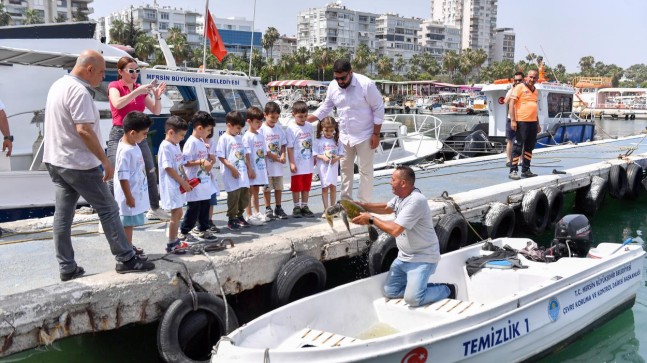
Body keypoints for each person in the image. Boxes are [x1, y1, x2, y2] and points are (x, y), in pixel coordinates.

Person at [43, 49, 154, 280]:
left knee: (63, 216)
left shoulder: (58, 85)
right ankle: (125, 258)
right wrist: (104, 161)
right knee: (108, 208)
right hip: (78, 163)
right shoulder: (79, 92)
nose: (103, 77)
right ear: (89, 69)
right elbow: (83, 130)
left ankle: (67, 266)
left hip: (56, 160)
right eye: (102, 71)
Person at [351, 165, 454, 307]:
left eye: (392, 179)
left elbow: (395, 230)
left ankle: (447, 289)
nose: (389, 182)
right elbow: (386, 208)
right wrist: (362, 206)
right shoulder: (400, 198)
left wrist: (371, 219)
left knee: (413, 300)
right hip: (404, 257)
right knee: (391, 292)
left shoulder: (416, 200)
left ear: (403, 183)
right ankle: (419, 289)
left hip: (423, 258)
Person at [308, 59, 384, 203]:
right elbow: (326, 107)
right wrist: (306, 120)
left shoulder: (366, 84)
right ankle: (346, 202)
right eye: (337, 78)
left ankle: (364, 203)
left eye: (343, 78)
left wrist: (376, 134)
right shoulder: (332, 86)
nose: (340, 81)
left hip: (366, 134)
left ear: (351, 72)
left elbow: (378, 109)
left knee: (365, 171)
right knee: (345, 170)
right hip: (344, 136)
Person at [107, 56, 169, 221]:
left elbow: (155, 111)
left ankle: (154, 207)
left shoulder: (139, 89)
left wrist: (156, 96)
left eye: (137, 70)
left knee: (149, 169)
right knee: (115, 173)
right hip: (120, 133)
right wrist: (136, 91)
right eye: (131, 70)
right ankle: (109, 214)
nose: (135, 74)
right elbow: (117, 103)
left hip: (140, 135)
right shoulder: (115, 86)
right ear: (120, 72)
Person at [113, 112, 153, 259]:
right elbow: (123, 177)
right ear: (132, 133)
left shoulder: (133, 144)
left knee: (130, 223)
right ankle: (127, 251)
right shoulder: (126, 151)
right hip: (128, 194)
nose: (145, 136)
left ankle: (128, 246)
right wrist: (129, 197)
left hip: (136, 190)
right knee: (127, 224)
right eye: (144, 134)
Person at [178, 111, 219, 242]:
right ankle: (184, 230)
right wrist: (201, 162)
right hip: (195, 183)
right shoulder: (191, 142)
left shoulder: (201, 141)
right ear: (200, 128)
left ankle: (203, 228)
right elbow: (185, 162)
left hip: (204, 181)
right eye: (208, 130)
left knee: (205, 207)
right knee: (193, 209)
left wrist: (209, 160)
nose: (209, 133)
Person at [157, 115, 192, 254]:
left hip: (178, 183)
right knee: (175, 213)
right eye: (181, 135)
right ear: (171, 132)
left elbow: (180, 163)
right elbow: (168, 168)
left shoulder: (175, 144)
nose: (182, 138)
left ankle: (175, 239)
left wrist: (186, 177)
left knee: (179, 212)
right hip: (171, 185)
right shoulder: (165, 146)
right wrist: (182, 181)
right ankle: (172, 242)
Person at [216, 111, 252, 230]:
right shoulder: (224, 138)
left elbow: (245, 154)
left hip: (242, 172)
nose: (239, 131)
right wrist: (232, 169)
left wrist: (249, 168)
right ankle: (231, 218)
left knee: (245, 195)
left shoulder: (240, 138)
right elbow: (221, 157)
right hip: (231, 173)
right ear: (229, 125)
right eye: (237, 128)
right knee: (233, 196)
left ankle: (240, 214)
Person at [509, 69, 542, 180]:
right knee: (518, 146)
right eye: (530, 77)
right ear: (527, 77)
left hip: (532, 122)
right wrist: (513, 120)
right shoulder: (519, 87)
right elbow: (511, 103)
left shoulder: (535, 91)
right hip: (521, 121)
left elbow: (534, 108)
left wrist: (537, 123)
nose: (532, 79)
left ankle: (526, 170)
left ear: (537, 79)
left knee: (529, 146)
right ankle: (513, 170)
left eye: (534, 78)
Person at [260, 101, 288, 220]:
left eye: (277, 117)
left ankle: (278, 207)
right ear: (265, 115)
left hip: (278, 166)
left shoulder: (279, 129)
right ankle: (267, 208)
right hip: (267, 166)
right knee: (267, 188)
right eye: (272, 117)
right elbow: (263, 149)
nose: (274, 120)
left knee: (278, 187)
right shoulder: (261, 130)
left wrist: (283, 155)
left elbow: (283, 145)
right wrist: (275, 157)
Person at [287, 101, 316, 218]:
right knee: (296, 186)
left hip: (308, 162)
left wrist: (314, 156)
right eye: (300, 116)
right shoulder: (291, 128)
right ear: (293, 114)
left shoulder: (309, 126)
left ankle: (304, 205)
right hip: (298, 163)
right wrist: (292, 162)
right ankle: (296, 206)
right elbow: (289, 147)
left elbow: (312, 142)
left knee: (306, 185)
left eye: (305, 116)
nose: (303, 119)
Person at [242, 106, 269, 225]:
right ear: (249, 121)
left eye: (261, 122)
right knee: (250, 191)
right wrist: (250, 169)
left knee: (256, 190)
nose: (259, 124)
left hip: (260, 167)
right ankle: (249, 214)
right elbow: (246, 155)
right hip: (252, 168)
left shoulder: (260, 135)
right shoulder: (247, 136)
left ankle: (257, 212)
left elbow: (263, 153)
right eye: (257, 122)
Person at [314, 116, 344, 216]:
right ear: (322, 128)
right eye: (326, 130)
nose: (328, 133)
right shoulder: (318, 140)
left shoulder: (337, 140)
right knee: (325, 187)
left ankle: (333, 208)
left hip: (333, 167)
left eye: (331, 130)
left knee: (333, 186)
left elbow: (341, 154)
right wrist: (323, 157)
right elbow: (315, 153)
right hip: (323, 167)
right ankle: (326, 209)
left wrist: (336, 158)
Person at [504, 72, 524, 167]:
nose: (517, 82)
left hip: (522, 118)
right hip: (511, 119)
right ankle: (508, 160)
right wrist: (512, 89)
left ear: (523, 80)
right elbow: (506, 101)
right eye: (516, 80)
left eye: (519, 80)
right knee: (510, 140)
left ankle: (520, 160)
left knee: (521, 140)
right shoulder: (511, 90)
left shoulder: (525, 90)